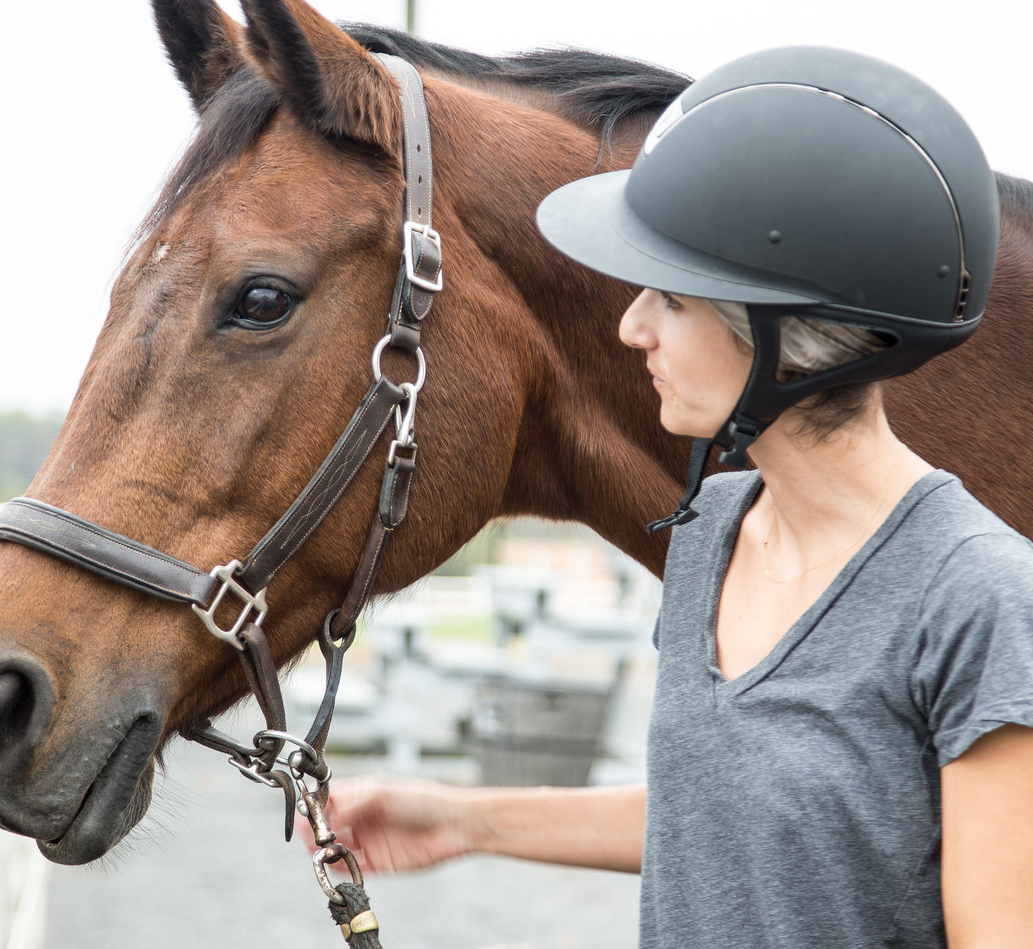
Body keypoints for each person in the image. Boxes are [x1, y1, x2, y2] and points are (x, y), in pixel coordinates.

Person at [312, 47, 1033, 947]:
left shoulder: (979, 597)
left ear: (791, 331)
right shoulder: (711, 535)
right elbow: (737, 824)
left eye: (674, 299)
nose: (631, 326)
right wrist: (463, 821)